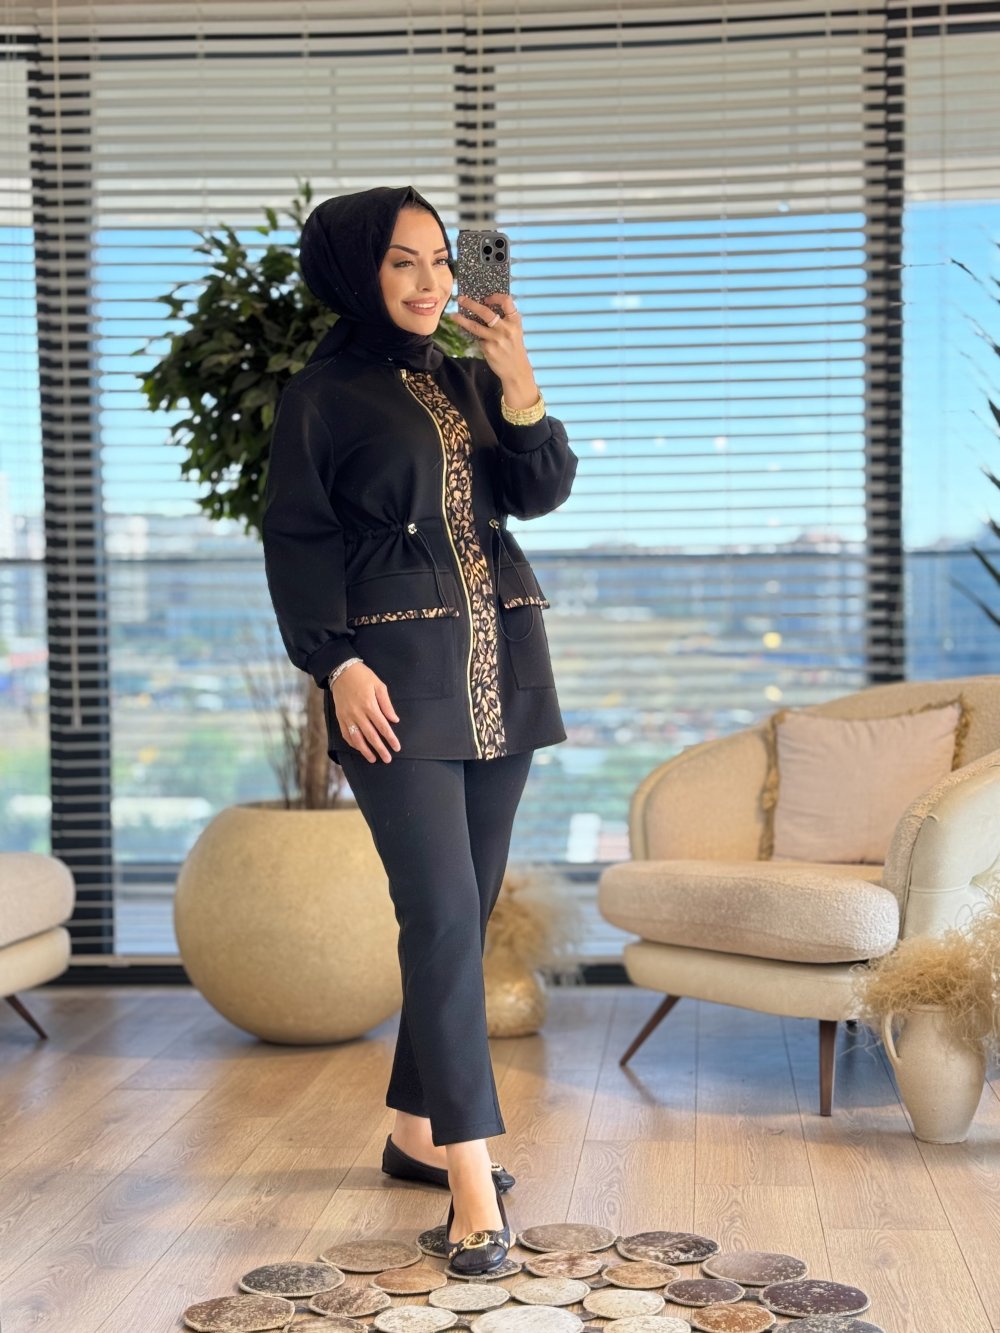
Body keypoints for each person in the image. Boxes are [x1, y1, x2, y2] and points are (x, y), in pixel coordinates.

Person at [261, 184, 577, 1275]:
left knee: (461, 917)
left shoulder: (468, 377)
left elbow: (539, 494)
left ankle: (413, 1132)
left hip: (502, 670)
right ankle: (472, 1187)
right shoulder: (321, 396)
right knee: (439, 916)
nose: (433, 281)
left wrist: (517, 377)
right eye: (404, 261)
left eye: (442, 259)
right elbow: (297, 538)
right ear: (358, 271)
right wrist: (335, 662)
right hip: (392, 686)